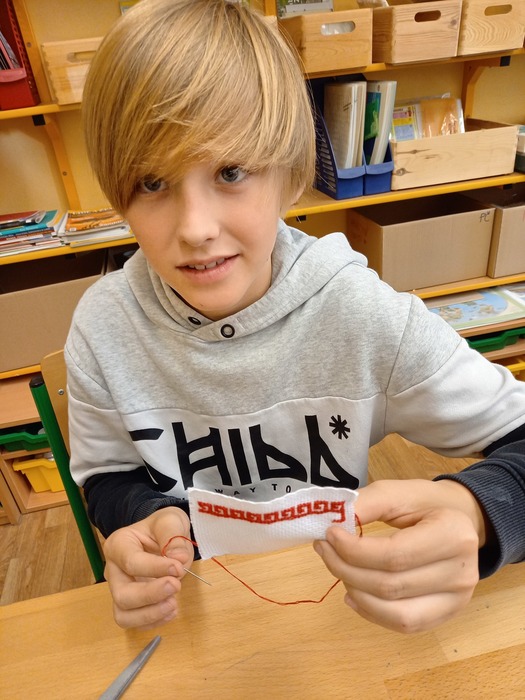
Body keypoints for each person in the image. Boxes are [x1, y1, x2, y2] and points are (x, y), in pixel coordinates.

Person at [68, 0, 525, 634]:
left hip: (338, 616)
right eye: (151, 182)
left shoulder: (362, 315)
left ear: (289, 175)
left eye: (231, 172)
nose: (195, 229)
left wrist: (477, 509)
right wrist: (143, 517)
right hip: (200, 617)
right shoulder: (103, 329)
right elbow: (108, 477)